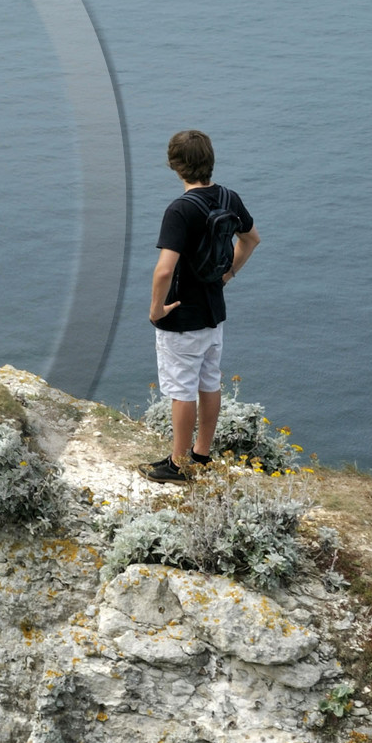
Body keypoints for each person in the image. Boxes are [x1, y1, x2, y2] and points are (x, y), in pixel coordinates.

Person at [146, 128, 259, 482]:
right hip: (214, 311)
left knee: (181, 390)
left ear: (175, 166)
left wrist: (156, 309)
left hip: (182, 315)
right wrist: (228, 275)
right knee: (209, 382)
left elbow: (165, 270)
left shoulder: (180, 210)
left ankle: (179, 465)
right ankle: (201, 455)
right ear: (209, 160)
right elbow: (251, 239)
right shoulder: (228, 198)